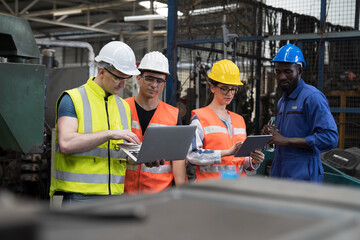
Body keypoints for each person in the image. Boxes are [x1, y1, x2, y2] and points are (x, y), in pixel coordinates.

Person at [49, 41, 161, 204]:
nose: (123, 84)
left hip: (114, 196)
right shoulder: (73, 99)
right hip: (79, 196)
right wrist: (110, 134)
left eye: (126, 79)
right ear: (101, 71)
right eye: (118, 78)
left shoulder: (123, 106)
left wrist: (145, 157)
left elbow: (122, 153)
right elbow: (66, 143)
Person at [262, 43, 338, 182]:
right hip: (280, 175)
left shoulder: (312, 97)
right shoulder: (282, 102)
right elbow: (281, 138)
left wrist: (287, 141)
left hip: (303, 178)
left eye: (288, 71)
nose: (282, 77)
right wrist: (271, 136)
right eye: (278, 72)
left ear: (300, 70)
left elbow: (330, 138)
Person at [186, 59, 265, 181]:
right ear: (212, 88)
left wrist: (254, 161)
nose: (229, 93)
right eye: (224, 88)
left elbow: (240, 161)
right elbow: (192, 155)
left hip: (237, 189)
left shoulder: (239, 120)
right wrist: (226, 152)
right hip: (212, 189)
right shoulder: (200, 117)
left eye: (233, 89)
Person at [124, 51, 187, 194]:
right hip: (124, 192)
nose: (154, 85)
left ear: (164, 84)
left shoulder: (173, 115)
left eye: (160, 81)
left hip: (159, 194)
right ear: (138, 78)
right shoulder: (122, 108)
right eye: (150, 79)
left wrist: (182, 192)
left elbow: (178, 158)